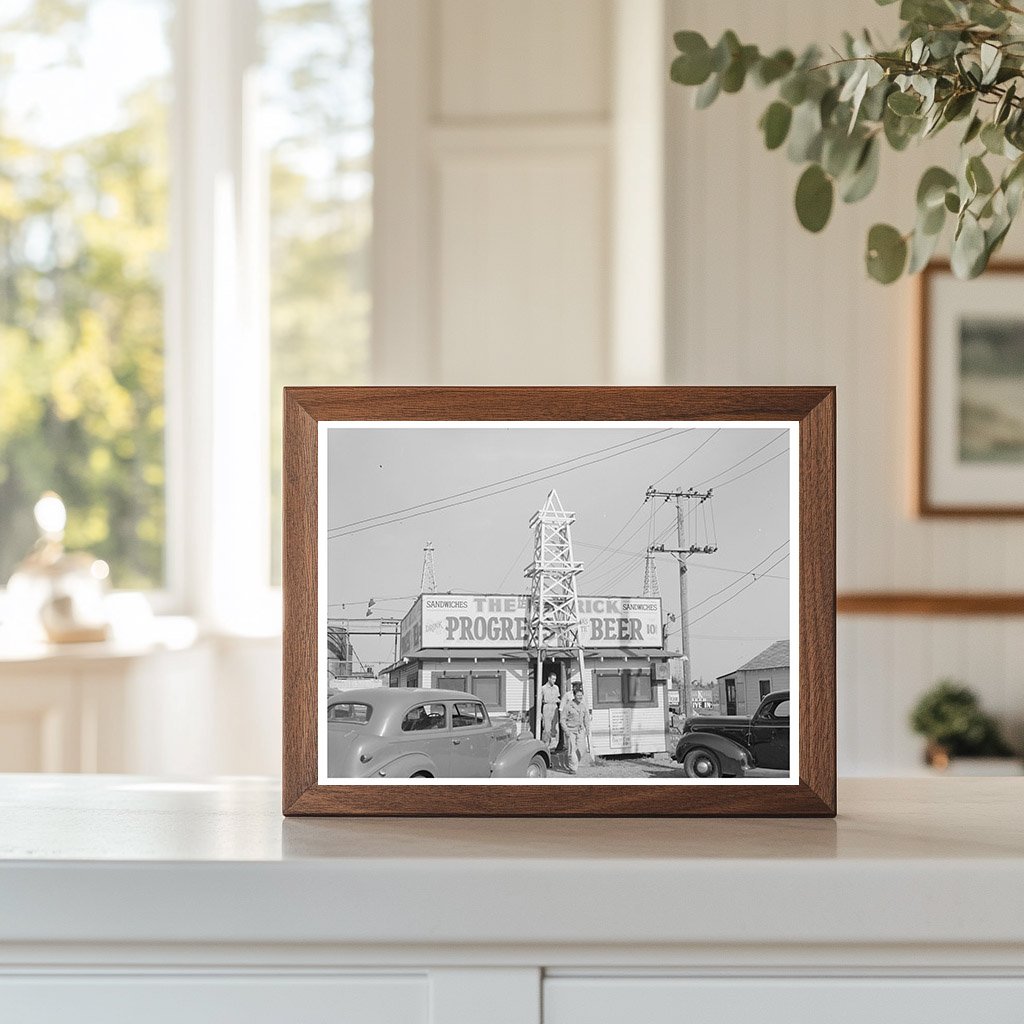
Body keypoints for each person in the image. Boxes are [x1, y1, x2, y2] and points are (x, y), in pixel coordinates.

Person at [561, 685, 591, 774]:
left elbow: (586, 718)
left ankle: (574, 762)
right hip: (570, 730)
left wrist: (587, 728)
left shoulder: (583, 706)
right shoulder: (568, 706)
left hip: (580, 730)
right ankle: (573, 768)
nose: (580, 697)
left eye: (581, 695)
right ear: (574, 696)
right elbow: (562, 719)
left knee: (583, 749)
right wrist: (566, 730)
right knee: (571, 750)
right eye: (578, 696)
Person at [540, 673, 560, 749]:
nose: (554, 681)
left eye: (555, 679)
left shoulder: (556, 688)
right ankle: (545, 745)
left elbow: (557, 698)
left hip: (554, 706)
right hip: (547, 706)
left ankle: (553, 746)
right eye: (553, 679)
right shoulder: (543, 688)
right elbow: (539, 700)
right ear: (549, 678)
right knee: (546, 727)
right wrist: (540, 712)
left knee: (555, 726)